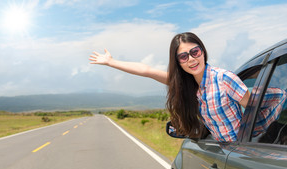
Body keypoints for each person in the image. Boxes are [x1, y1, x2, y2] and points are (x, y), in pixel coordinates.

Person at [89, 32, 250, 142]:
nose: (191, 59)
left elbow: (254, 112)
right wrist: (111, 62)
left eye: (195, 52)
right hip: (227, 155)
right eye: (183, 56)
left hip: (244, 151)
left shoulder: (224, 78)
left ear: (202, 51)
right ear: (178, 62)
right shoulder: (188, 86)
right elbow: (147, 71)